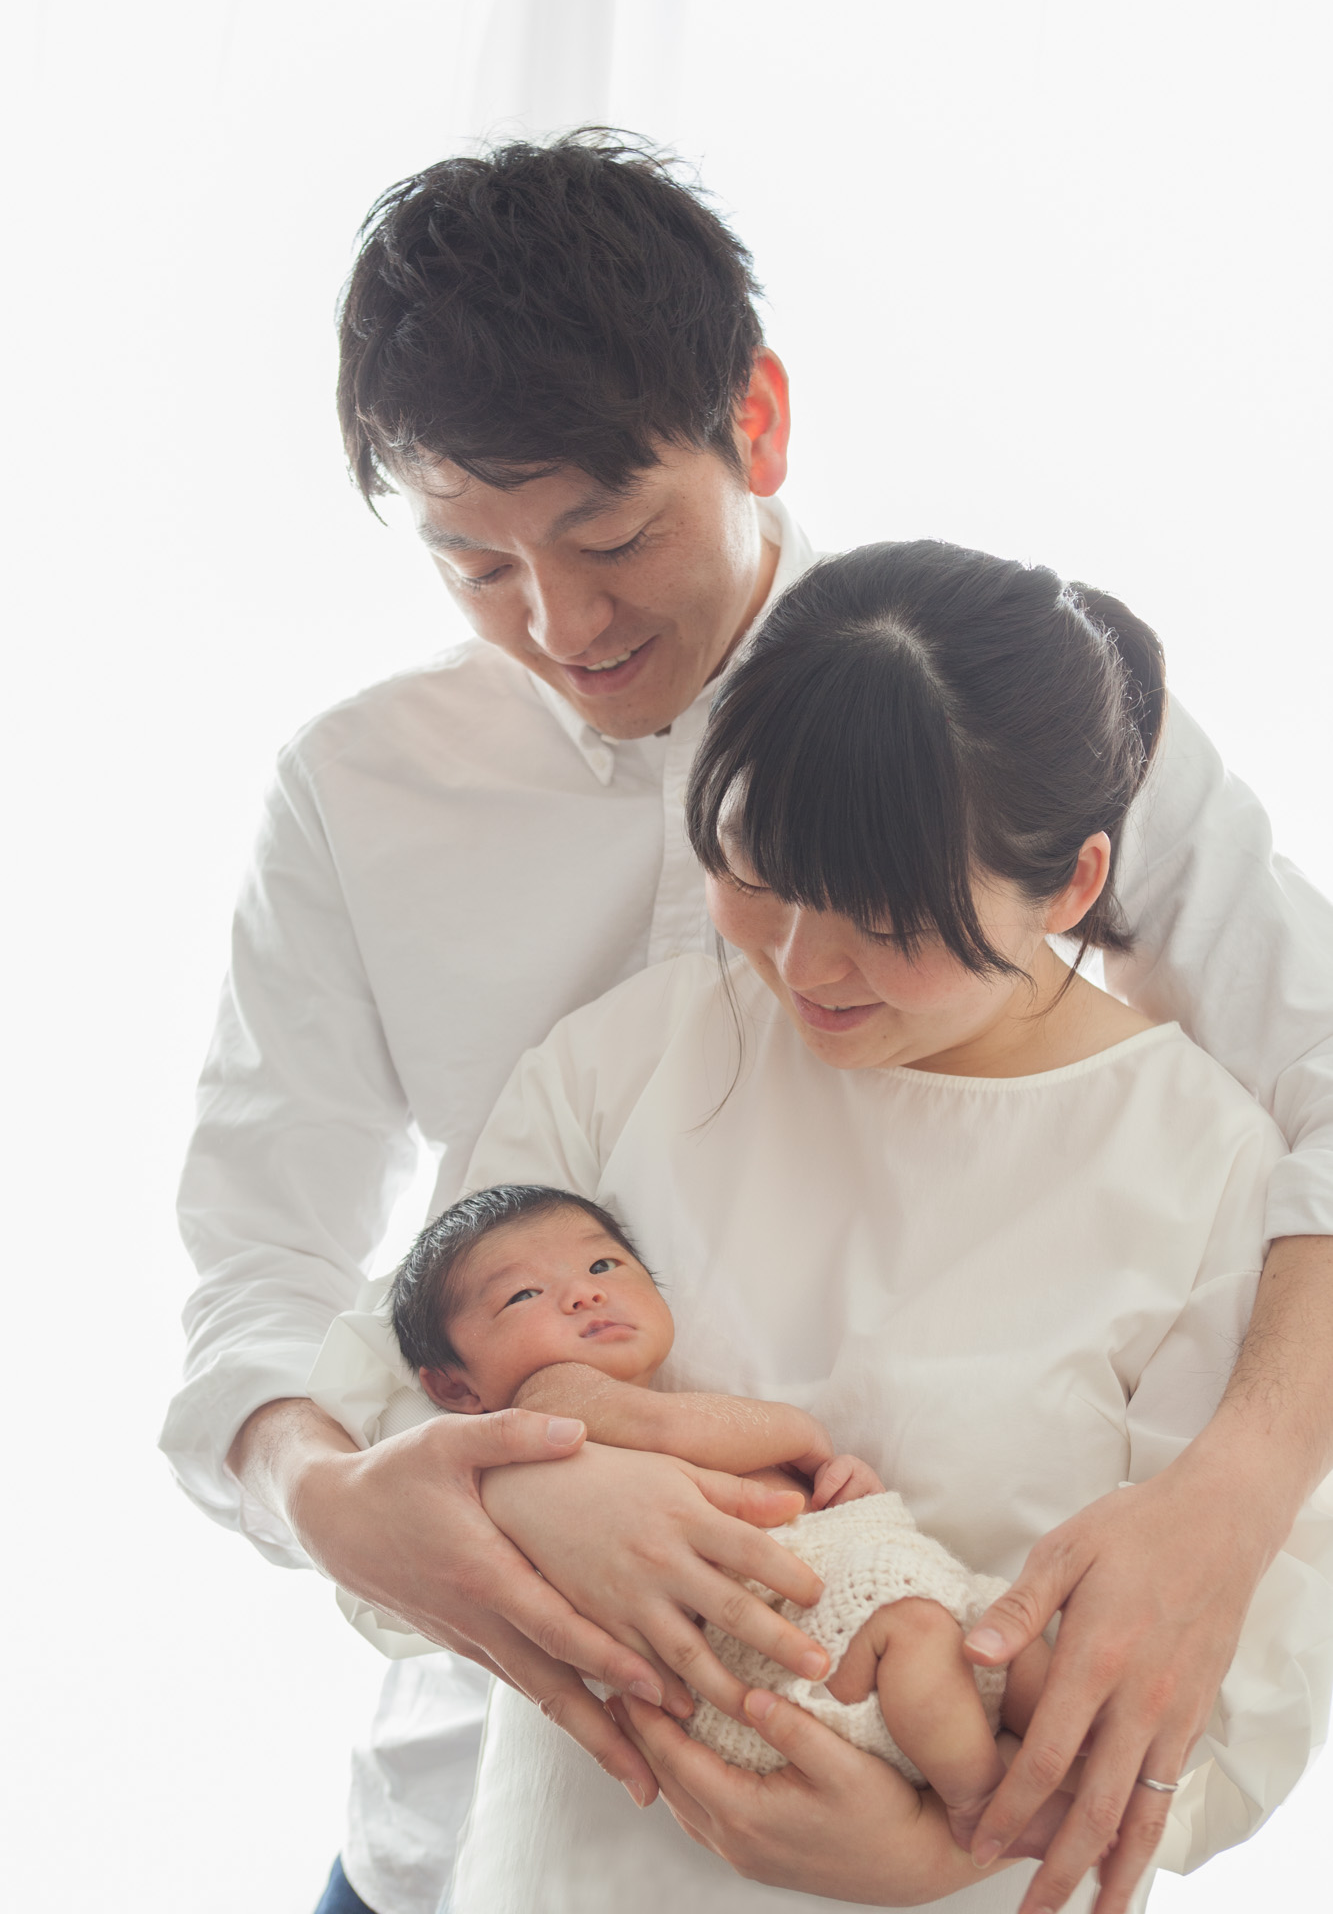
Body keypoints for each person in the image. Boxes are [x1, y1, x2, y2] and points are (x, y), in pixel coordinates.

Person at [157, 133, 1333, 1914]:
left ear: (756, 425)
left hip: (924, 1815)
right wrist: (330, 1490)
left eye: (609, 536)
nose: (557, 622)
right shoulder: (364, 796)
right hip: (469, 1804)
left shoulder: (1012, 714)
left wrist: (1228, 1496)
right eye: (472, 563)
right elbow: (263, 1261)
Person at [420, 544, 1331, 1911]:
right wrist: (526, 1483)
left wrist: (947, 1854)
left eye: (888, 921)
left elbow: (1227, 1708)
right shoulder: (635, 1053)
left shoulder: (1208, 1175)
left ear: (1072, 885)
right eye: (758, 875)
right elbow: (393, 1397)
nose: (802, 964)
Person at [361, 1177, 1052, 1833]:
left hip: (825, 1608)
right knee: (918, 1628)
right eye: (522, 1295)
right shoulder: (553, 1397)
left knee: (1004, 1636)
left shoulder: (638, 1408)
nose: (582, 1294)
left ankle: (1061, 1771)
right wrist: (802, 1436)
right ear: (454, 1388)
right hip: (773, 1646)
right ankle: (980, 1808)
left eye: (603, 1265)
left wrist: (834, 1489)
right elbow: (673, 1431)